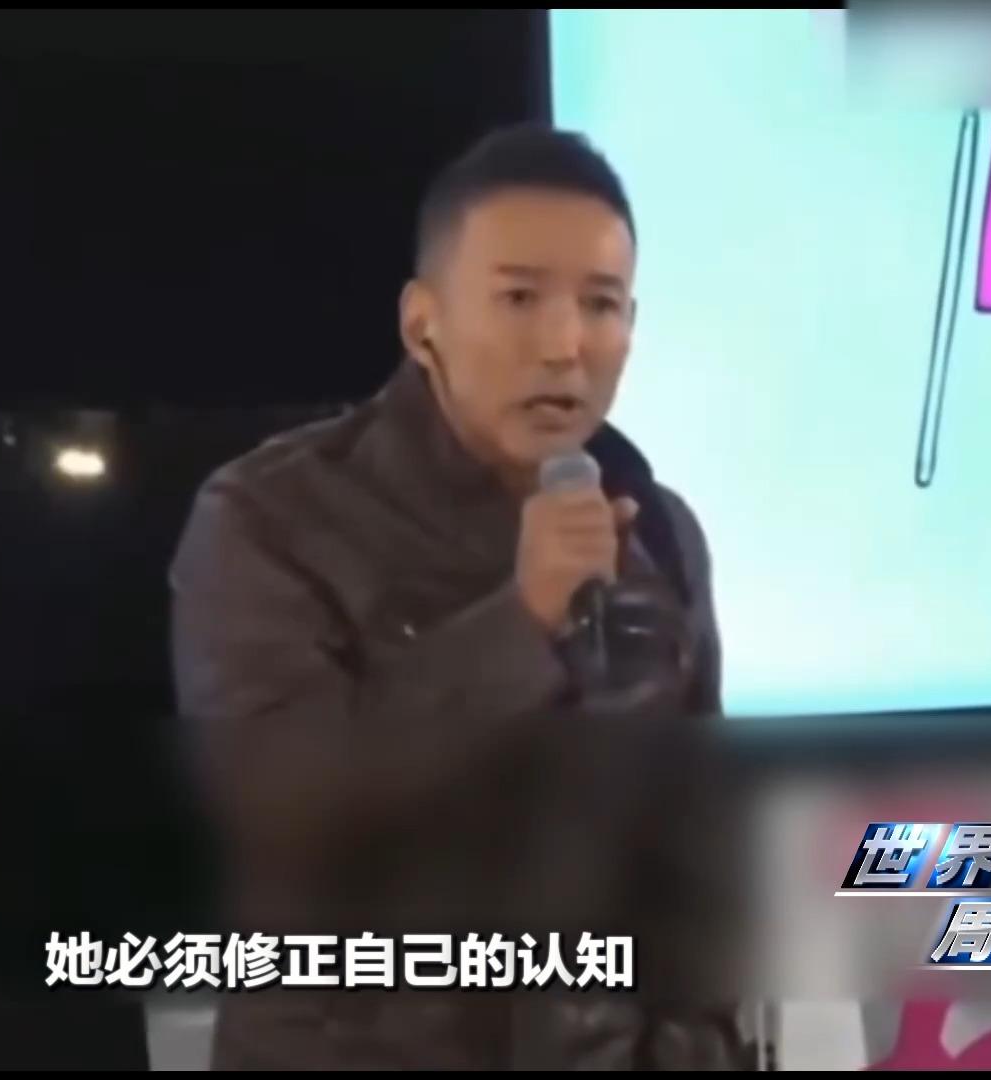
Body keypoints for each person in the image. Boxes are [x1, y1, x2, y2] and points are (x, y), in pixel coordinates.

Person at [168, 125, 751, 1069]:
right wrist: (521, 623)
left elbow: (701, 855)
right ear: (422, 322)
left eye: (600, 304)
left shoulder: (658, 533)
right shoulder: (270, 517)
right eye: (519, 297)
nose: (564, 344)